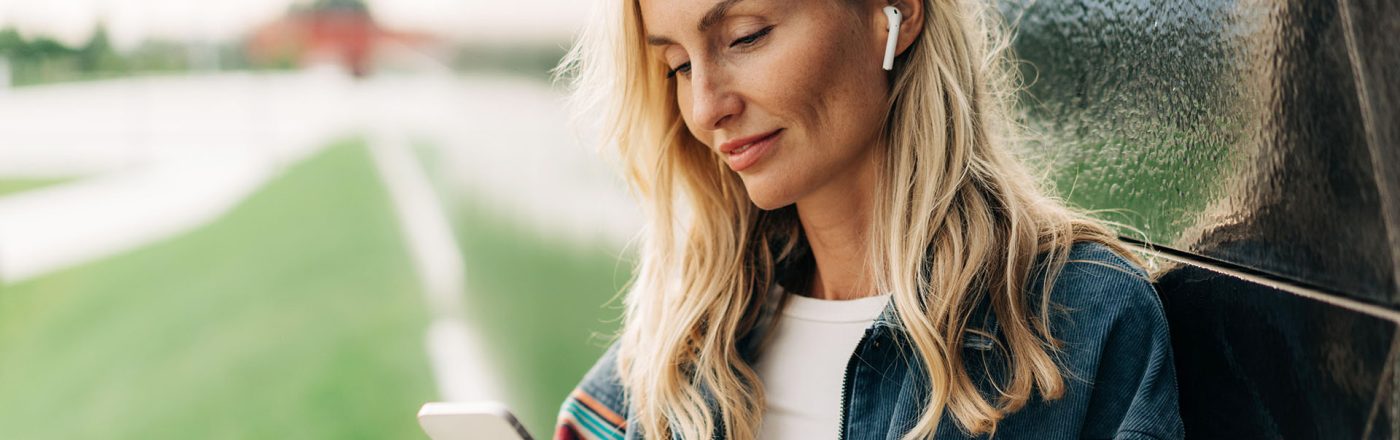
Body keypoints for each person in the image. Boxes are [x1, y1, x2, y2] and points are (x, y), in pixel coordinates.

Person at [552, 0, 1184, 438]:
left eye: (746, 36)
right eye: (678, 66)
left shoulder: (1076, 316)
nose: (705, 105)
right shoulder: (684, 341)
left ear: (896, 13)